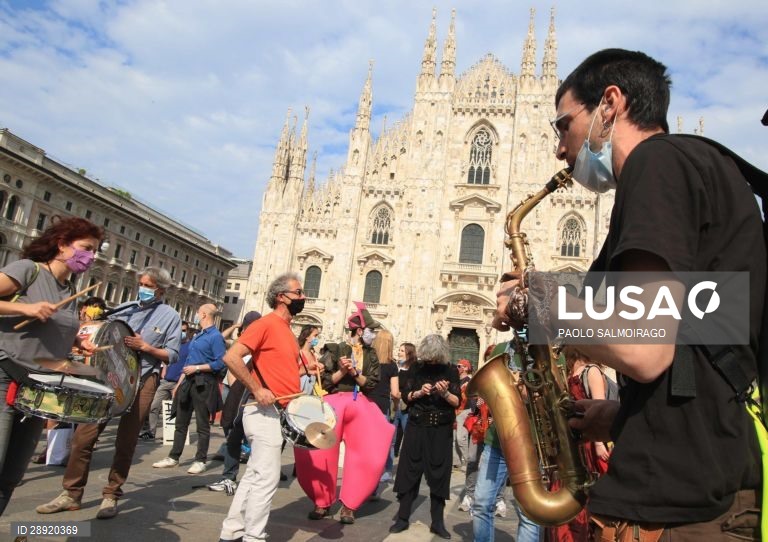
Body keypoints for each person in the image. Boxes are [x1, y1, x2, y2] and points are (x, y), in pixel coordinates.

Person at [495, 48, 765, 540]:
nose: (560, 147)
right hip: (702, 486)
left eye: (563, 125)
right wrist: (618, 416)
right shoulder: (700, 173)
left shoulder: (657, 163)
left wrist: (530, 304)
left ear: (609, 104)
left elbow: (643, 345)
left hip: (674, 511)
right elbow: (696, 342)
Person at [37, 266, 182, 519]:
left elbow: (173, 354)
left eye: (147, 285)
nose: (143, 289)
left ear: (159, 289)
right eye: (141, 284)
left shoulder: (170, 316)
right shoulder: (127, 306)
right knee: (83, 436)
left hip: (143, 378)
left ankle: (111, 494)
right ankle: (71, 493)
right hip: (109, 376)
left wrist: (145, 346)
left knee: (126, 440)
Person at [0, 216, 103, 514]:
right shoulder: (28, 271)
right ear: (61, 245)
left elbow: (52, 332)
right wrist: (24, 307)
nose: (91, 256)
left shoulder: (68, 290)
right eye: (86, 248)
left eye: (95, 251)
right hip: (6, 374)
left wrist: (77, 344)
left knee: (11, 476)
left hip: (38, 389)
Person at [218, 273, 305, 542]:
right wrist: (257, 389)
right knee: (266, 479)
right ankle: (254, 536)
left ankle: (231, 531)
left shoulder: (287, 331)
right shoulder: (266, 324)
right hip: (263, 411)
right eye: (299, 293)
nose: (303, 297)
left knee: (255, 475)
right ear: (282, 297)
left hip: (277, 413)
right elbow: (231, 356)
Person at [294, 301, 393, 525]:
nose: (373, 334)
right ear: (359, 330)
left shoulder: (372, 355)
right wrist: (341, 370)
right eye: (370, 330)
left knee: (369, 451)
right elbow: (325, 382)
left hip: (360, 402)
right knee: (318, 450)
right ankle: (321, 501)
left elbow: (371, 384)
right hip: (334, 401)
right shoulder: (335, 349)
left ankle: (350, 505)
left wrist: (355, 372)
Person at [389, 334, 460, 539]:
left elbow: (457, 401)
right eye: (428, 358)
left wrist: (445, 393)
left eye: (434, 359)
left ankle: (437, 523)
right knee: (410, 470)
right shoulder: (417, 368)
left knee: (439, 474)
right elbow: (405, 396)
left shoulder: (450, 370)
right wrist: (419, 393)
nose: (431, 363)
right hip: (417, 425)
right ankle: (402, 518)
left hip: (440, 429)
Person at [153, 303, 226, 474]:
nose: (196, 315)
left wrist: (199, 368)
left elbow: (221, 362)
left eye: (197, 312)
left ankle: (200, 459)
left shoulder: (215, 336)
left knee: (202, 423)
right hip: (188, 380)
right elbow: (188, 362)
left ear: (203, 314)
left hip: (204, 382)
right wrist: (179, 384)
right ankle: (173, 457)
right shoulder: (198, 336)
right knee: (181, 420)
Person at [207, 310, 261, 495]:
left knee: (252, 439)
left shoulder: (260, 345)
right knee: (232, 437)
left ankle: (251, 480)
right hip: (236, 394)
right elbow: (230, 364)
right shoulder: (239, 344)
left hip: (250, 396)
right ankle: (229, 477)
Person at [140, 320, 192, 441]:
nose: (181, 333)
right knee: (154, 406)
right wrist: (164, 371)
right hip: (166, 381)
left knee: (177, 411)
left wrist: (180, 383)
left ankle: (175, 436)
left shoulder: (191, 346)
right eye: (180, 331)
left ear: (188, 331)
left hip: (179, 383)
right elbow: (167, 357)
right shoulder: (173, 343)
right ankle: (151, 432)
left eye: (184, 331)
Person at [369, 329, 399, 483]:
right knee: (382, 444)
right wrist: (397, 403)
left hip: (365, 406)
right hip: (381, 406)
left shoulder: (368, 360)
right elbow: (394, 392)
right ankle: (380, 475)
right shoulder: (391, 365)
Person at [393, 342, 416, 458]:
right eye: (399, 350)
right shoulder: (395, 366)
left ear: (409, 353)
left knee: (408, 435)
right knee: (393, 436)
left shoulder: (413, 369)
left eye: (402, 351)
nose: (399, 352)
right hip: (393, 404)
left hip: (406, 406)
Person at [453, 358, 473, 472]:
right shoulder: (456, 379)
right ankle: (456, 462)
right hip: (454, 410)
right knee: (454, 438)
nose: (457, 368)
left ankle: (467, 461)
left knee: (461, 438)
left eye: (459, 366)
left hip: (464, 410)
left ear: (466, 368)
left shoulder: (469, 380)